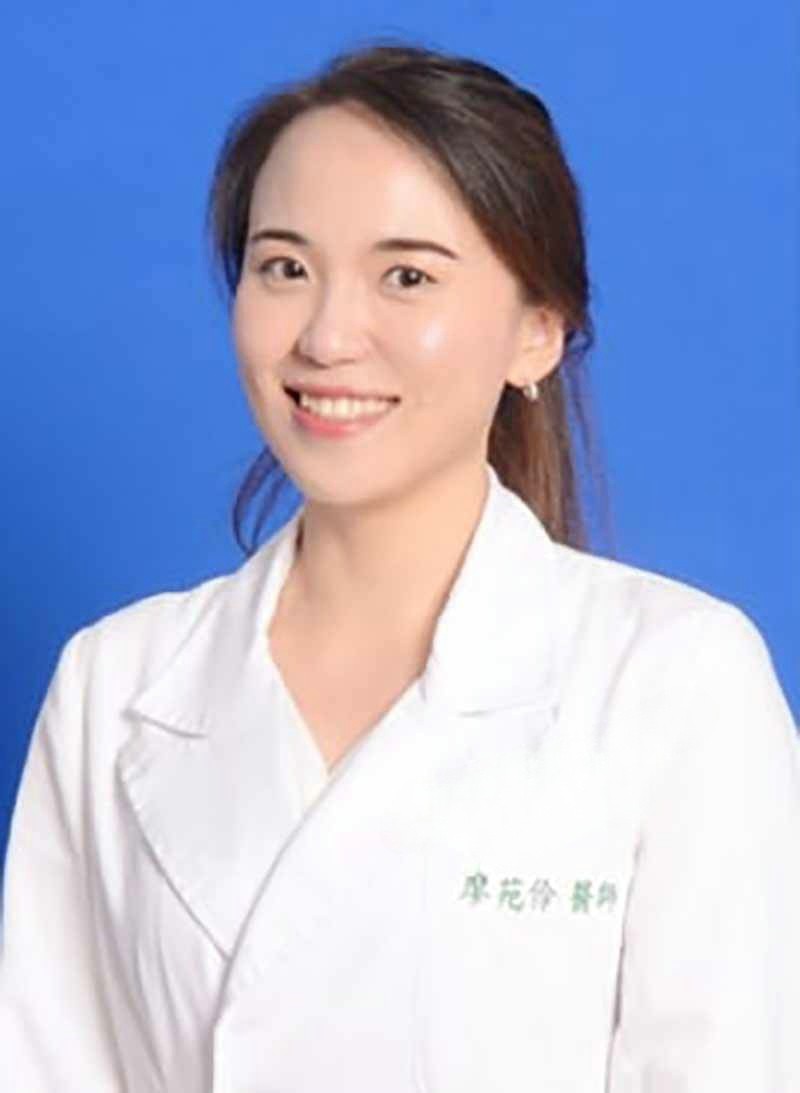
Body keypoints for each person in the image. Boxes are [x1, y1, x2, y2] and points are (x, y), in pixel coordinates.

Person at [1, 40, 799, 1092]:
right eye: (284, 268)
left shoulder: (675, 682)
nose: (328, 336)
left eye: (407, 276)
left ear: (537, 333)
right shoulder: (114, 684)